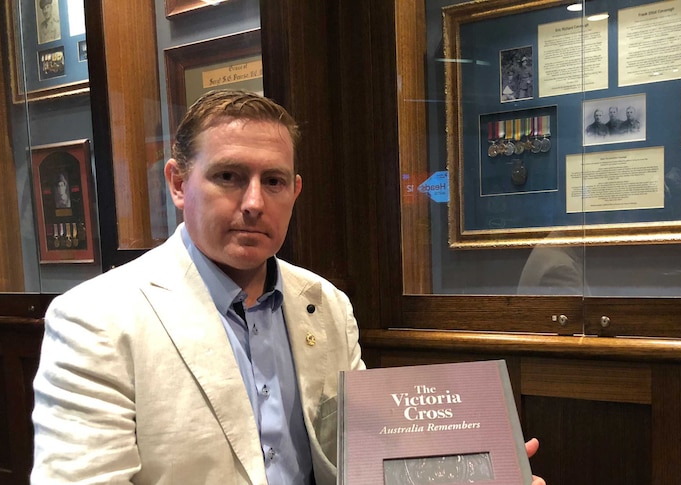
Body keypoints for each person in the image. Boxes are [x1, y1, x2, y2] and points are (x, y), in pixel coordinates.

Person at [30, 89, 545, 485]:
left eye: (273, 181)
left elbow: (364, 460)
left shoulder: (327, 305)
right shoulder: (95, 319)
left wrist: (467, 471)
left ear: (294, 191)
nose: (254, 202)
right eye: (229, 176)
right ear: (178, 182)